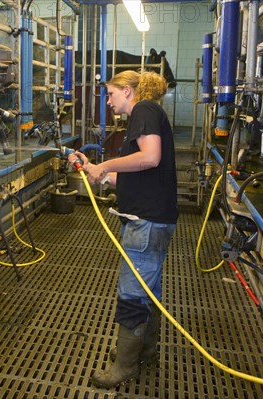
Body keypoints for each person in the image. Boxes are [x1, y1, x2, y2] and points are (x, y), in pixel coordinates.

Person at [69, 70, 178, 389]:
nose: (109, 100)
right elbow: (140, 172)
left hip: (146, 222)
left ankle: (125, 366)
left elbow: (150, 158)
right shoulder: (148, 115)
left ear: (128, 92)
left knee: (131, 294)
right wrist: (97, 172)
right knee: (149, 292)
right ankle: (145, 350)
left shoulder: (144, 109)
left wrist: (106, 165)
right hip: (152, 217)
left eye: (111, 94)